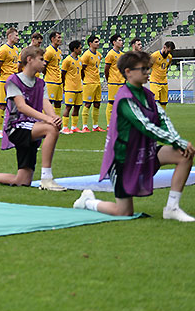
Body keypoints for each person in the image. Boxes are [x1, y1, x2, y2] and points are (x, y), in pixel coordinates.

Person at [73, 50, 194, 222]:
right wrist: (176, 140)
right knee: (124, 212)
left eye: (148, 68)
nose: (148, 72)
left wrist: (177, 140)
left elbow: (162, 118)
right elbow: (145, 126)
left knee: (185, 154)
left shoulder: (147, 95)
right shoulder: (125, 98)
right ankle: (89, 202)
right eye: (143, 69)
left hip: (146, 152)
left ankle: (172, 208)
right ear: (128, 72)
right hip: (123, 159)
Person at [0, 46, 65, 190]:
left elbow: (46, 104)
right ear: (29, 60)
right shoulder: (13, 80)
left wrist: (54, 117)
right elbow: (21, 107)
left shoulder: (41, 83)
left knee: (22, 180)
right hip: (16, 127)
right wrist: (48, 120)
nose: (44, 63)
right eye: (41, 59)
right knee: (51, 129)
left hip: (31, 128)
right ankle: (47, 179)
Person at [0, 27, 20, 138]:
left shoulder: (15, 49)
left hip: (14, 80)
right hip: (5, 81)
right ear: (10, 36)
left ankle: (10, 127)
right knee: (2, 105)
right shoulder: (3, 49)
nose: (18, 38)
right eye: (16, 35)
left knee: (13, 105)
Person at [80, 35, 104, 133]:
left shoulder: (99, 55)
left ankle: (95, 126)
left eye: (98, 41)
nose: (98, 43)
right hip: (89, 83)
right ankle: (84, 126)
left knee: (97, 104)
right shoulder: (86, 55)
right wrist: (85, 79)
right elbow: (82, 69)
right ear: (90, 43)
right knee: (87, 104)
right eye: (96, 42)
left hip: (97, 82)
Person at [61, 40, 84, 134]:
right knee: (68, 107)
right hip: (70, 88)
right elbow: (62, 74)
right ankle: (65, 127)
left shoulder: (80, 60)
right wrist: (63, 86)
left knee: (77, 107)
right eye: (80, 48)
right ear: (75, 49)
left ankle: (74, 127)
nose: (81, 49)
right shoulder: (67, 60)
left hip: (79, 88)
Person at [103, 33, 124, 129]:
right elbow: (106, 69)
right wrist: (109, 80)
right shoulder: (110, 54)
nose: (121, 42)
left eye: (121, 40)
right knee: (111, 102)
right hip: (113, 82)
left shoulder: (122, 55)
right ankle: (109, 125)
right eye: (119, 40)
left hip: (122, 82)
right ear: (114, 42)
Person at [42, 31, 64, 117]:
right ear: (52, 39)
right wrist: (48, 74)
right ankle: (45, 123)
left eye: (60, 37)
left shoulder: (59, 51)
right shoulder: (48, 51)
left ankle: (56, 123)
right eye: (58, 37)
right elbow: (43, 66)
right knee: (48, 103)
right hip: (50, 81)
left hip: (58, 81)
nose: (60, 39)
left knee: (58, 103)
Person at [149, 41, 175, 110]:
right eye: (168, 51)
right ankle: (155, 118)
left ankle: (162, 118)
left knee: (164, 103)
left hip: (164, 82)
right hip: (154, 82)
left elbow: (167, 67)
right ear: (164, 47)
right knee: (155, 102)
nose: (168, 53)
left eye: (170, 52)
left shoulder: (169, 57)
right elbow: (148, 66)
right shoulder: (154, 55)